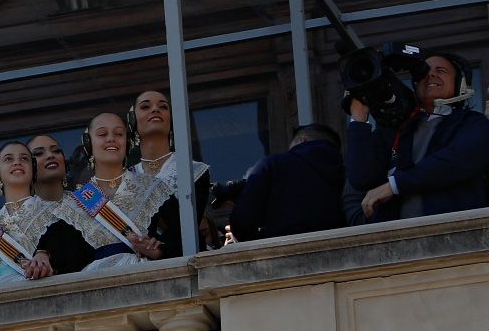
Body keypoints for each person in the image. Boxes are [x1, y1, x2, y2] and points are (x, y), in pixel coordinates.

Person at [345, 50, 489, 222]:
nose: (431, 75)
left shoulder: (475, 123)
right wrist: (358, 119)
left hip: (457, 236)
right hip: (397, 240)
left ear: (460, 84)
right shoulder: (395, 129)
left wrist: (394, 186)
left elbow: (452, 162)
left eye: (441, 70)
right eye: (424, 72)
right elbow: (361, 178)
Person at [0, 141, 97, 282]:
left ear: (33, 169)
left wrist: (46, 254)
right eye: (8, 159)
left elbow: (78, 255)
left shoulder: (61, 211)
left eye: (24, 158)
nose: (17, 162)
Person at [71, 111, 175, 269]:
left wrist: (159, 250)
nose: (111, 139)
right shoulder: (73, 202)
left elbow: (187, 236)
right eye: (102, 134)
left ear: (127, 142)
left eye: (119, 134)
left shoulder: (153, 187)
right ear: (88, 144)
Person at [230, 124, 347, 241]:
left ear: (301, 139)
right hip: (339, 252)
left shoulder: (274, 164)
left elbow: (243, 222)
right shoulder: (347, 173)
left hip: (282, 252)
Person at [131, 89, 212, 232]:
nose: (155, 109)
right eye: (145, 107)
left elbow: (185, 229)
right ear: (133, 120)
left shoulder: (194, 171)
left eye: (163, 106)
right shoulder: (125, 178)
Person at [28, 134, 70, 203]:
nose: (50, 155)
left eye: (56, 151)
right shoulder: (23, 212)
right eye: (38, 153)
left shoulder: (87, 204)